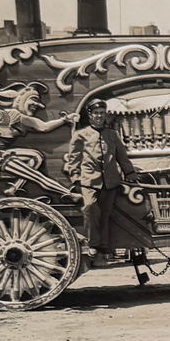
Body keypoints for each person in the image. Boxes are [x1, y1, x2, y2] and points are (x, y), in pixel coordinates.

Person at [64, 99, 138, 261]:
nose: (99, 116)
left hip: (110, 181)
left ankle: (104, 246)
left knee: (106, 214)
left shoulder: (112, 135)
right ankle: (92, 244)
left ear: (105, 115)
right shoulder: (81, 135)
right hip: (89, 181)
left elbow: (122, 157)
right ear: (90, 115)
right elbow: (74, 159)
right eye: (96, 113)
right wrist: (75, 178)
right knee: (90, 209)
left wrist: (130, 172)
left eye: (102, 113)